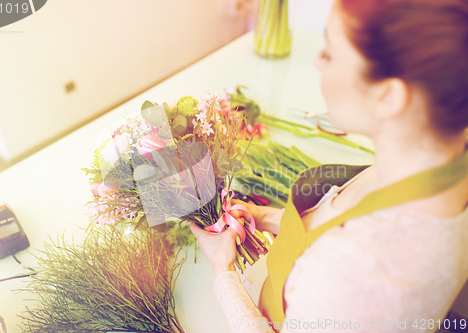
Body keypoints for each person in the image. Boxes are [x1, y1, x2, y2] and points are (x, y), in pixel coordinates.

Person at [189, 0, 468, 332]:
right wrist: (266, 217)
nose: (317, 62)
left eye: (331, 53)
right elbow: (338, 223)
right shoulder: (435, 159)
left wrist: (223, 270)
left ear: (388, 96)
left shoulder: (355, 281)